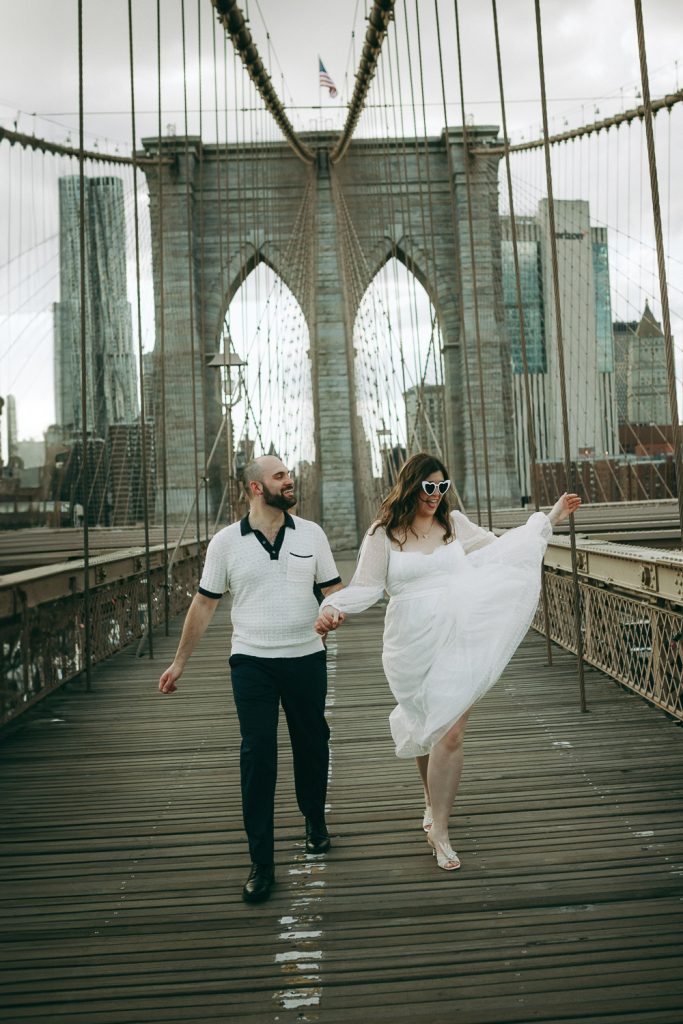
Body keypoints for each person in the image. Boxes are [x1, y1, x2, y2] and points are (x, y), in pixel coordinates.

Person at [314, 451, 580, 872]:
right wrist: (334, 610)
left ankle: (440, 829)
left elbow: (502, 549)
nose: (436, 495)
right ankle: (430, 799)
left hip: (459, 636)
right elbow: (365, 587)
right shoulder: (383, 534)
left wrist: (550, 518)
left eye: (443, 487)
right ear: (410, 486)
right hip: (408, 642)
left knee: (450, 731)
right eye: (428, 487)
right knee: (425, 722)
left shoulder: (454, 525)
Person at [159, 455, 343, 904]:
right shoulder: (225, 544)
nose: (290, 480)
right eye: (280, 476)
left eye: (288, 474)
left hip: (305, 655)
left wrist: (332, 611)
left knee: (312, 742)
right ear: (257, 488)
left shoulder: (312, 534)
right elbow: (204, 604)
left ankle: (314, 821)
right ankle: (261, 863)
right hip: (251, 661)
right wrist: (179, 662)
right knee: (257, 754)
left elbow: (334, 590)